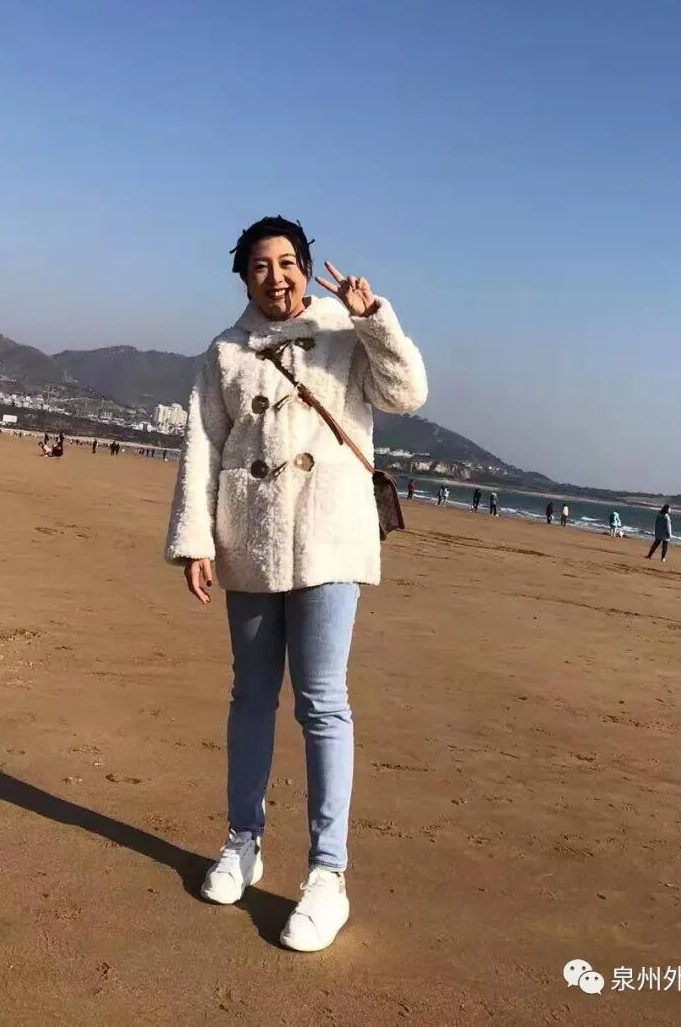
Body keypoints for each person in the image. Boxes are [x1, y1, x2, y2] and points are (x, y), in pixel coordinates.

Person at [166, 216, 426, 952]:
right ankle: (242, 840)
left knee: (322, 701)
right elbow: (202, 446)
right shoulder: (223, 352)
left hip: (329, 538)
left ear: (306, 269)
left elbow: (407, 393)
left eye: (287, 263)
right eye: (260, 265)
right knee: (250, 696)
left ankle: (327, 874)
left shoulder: (346, 331)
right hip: (249, 535)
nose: (275, 276)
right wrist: (194, 540)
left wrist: (374, 318)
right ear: (243, 276)